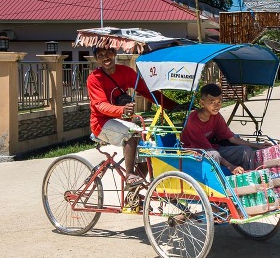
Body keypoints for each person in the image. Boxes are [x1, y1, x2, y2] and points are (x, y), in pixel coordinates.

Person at [87, 46, 176, 188]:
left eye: (109, 53)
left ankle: (133, 194)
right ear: (97, 59)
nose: (105, 58)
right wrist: (122, 110)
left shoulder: (126, 72)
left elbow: (146, 90)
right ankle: (129, 175)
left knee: (148, 151)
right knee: (132, 133)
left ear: (115, 53)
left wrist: (171, 105)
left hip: (120, 121)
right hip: (101, 123)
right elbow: (100, 105)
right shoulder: (94, 79)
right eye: (100, 55)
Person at [180, 83, 270, 175]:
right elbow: (207, 150)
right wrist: (231, 167)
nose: (216, 106)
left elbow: (232, 138)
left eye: (219, 102)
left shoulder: (216, 116)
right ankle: (219, 187)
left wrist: (257, 145)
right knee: (215, 155)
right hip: (195, 153)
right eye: (212, 102)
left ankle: (249, 179)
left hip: (213, 148)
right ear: (202, 103)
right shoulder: (193, 121)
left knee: (246, 151)